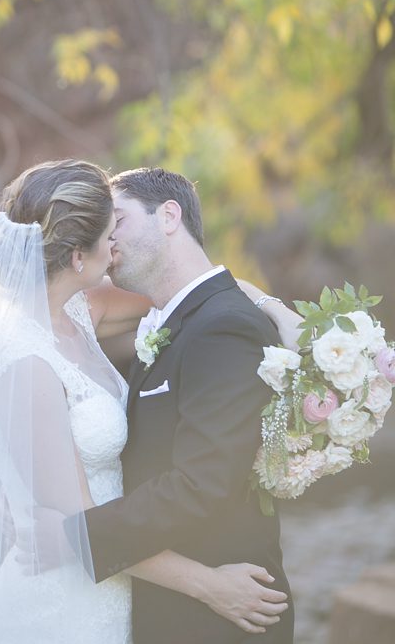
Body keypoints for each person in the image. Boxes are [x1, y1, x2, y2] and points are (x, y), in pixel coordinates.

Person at [0, 159, 295, 643]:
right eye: (109, 234)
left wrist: (274, 309)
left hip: (118, 579)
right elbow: (77, 533)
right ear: (78, 256)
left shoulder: (82, 309)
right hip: (61, 604)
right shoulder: (24, 363)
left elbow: (193, 289)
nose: (115, 246)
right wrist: (209, 586)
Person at [78, 167, 296, 643]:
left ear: (169, 216)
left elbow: (202, 483)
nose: (106, 240)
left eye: (118, 220)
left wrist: (78, 535)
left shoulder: (223, 327)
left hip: (224, 614)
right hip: (171, 608)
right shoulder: (178, 316)